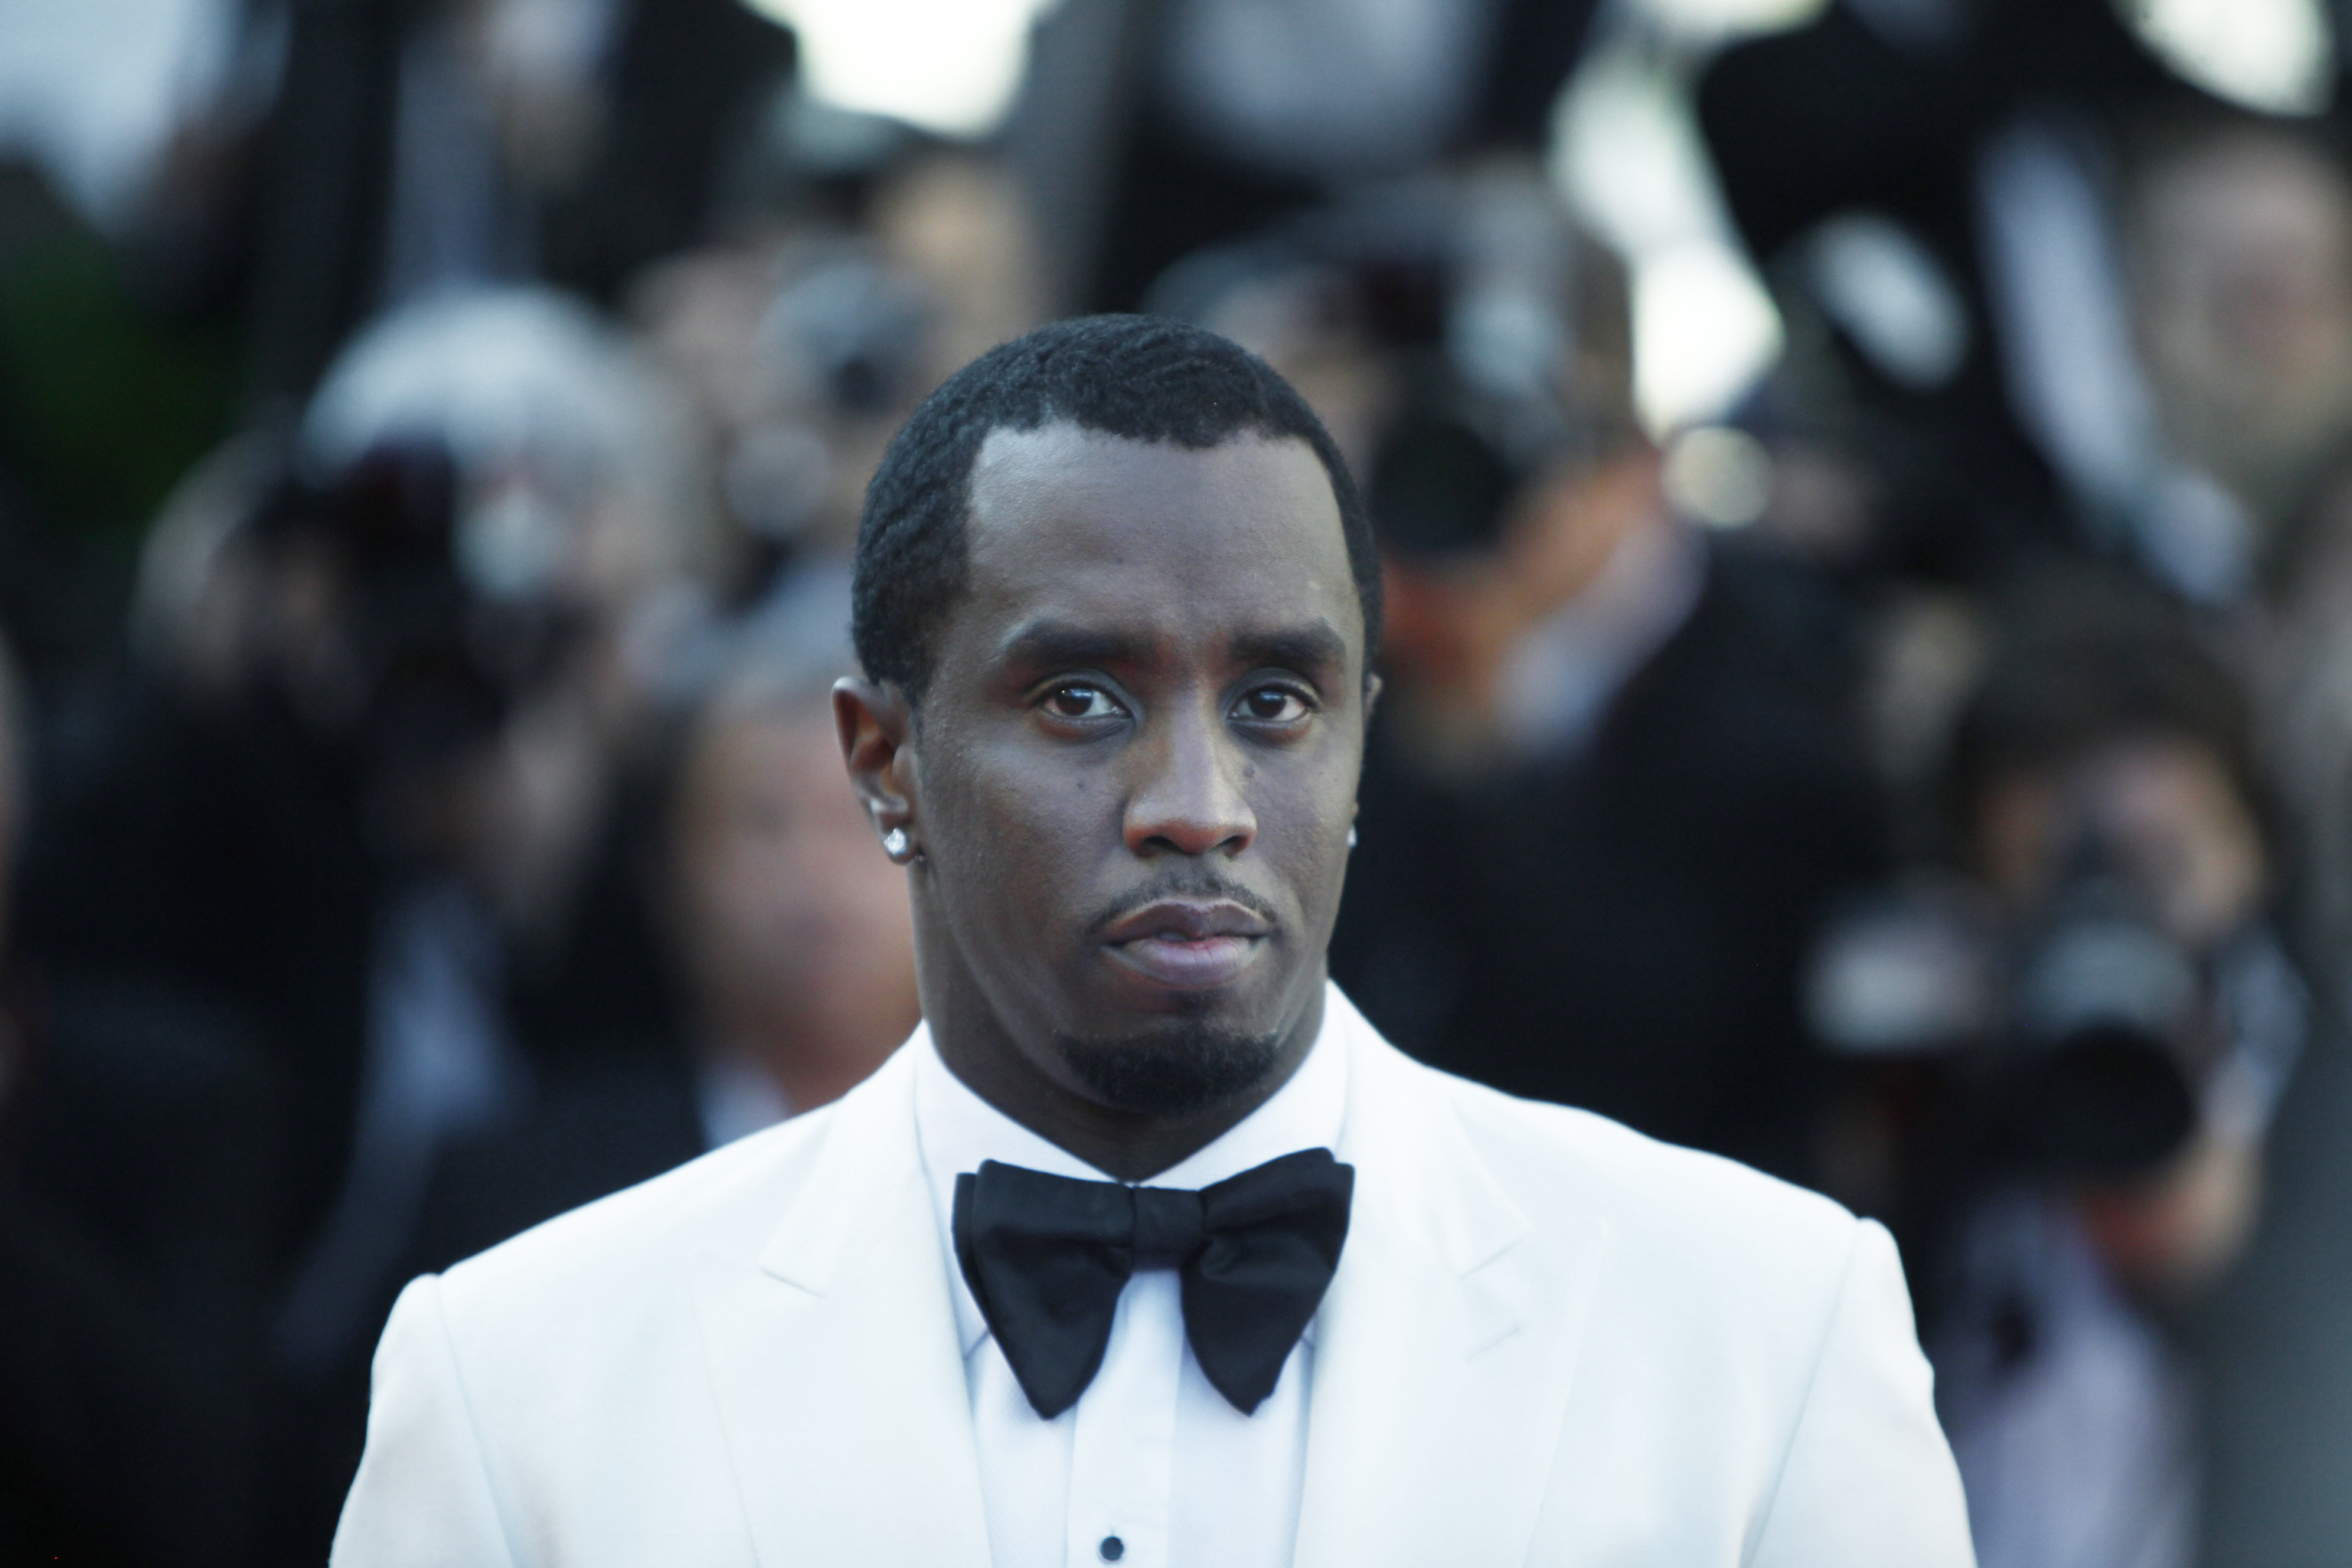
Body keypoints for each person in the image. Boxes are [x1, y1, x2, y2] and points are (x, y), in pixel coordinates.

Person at [332, 315, 1973, 1565]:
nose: (1200, 801)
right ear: (882, 762)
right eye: (1082, 697)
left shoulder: (1760, 1333)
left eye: (1275, 701)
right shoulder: (520, 1384)